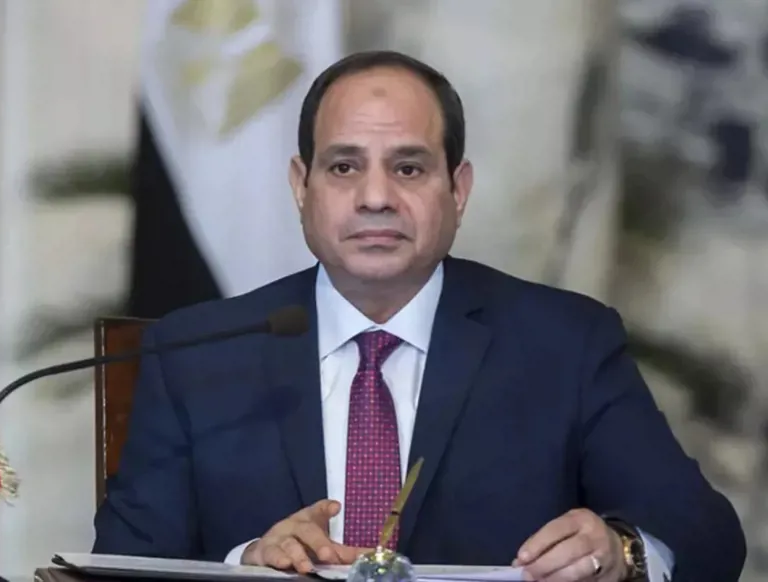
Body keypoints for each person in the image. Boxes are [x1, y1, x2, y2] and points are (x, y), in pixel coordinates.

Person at [92, 50, 746, 582]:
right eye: (344, 166)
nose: (376, 197)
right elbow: (121, 565)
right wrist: (246, 564)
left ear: (457, 191)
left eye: (408, 168)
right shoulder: (197, 354)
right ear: (301, 186)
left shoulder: (564, 343)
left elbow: (707, 538)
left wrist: (622, 553)